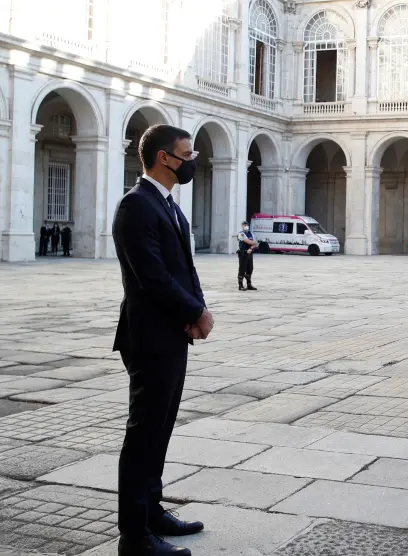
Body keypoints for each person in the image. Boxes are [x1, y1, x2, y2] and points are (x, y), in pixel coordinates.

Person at [112, 124, 212, 556]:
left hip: (171, 333)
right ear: (162, 158)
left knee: (161, 429)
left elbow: (185, 269)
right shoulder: (136, 206)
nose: (192, 162)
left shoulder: (170, 206)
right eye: (186, 155)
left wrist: (198, 310)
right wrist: (193, 312)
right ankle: (134, 535)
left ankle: (152, 511)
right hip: (149, 335)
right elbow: (150, 276)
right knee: (144, 433)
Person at [236, 221, 258, 291]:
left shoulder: (251, 233)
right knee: (242, 269)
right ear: (242, 226)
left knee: (250, 269)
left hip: (250, 253)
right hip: (243, 253)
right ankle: (240, 285)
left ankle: (249, 284)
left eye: (246, 225)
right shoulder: (241, 234)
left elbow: (255, 243)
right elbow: (248, 242)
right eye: (244, 225)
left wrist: (251, 248)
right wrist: (253, 243)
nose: (245, 226)